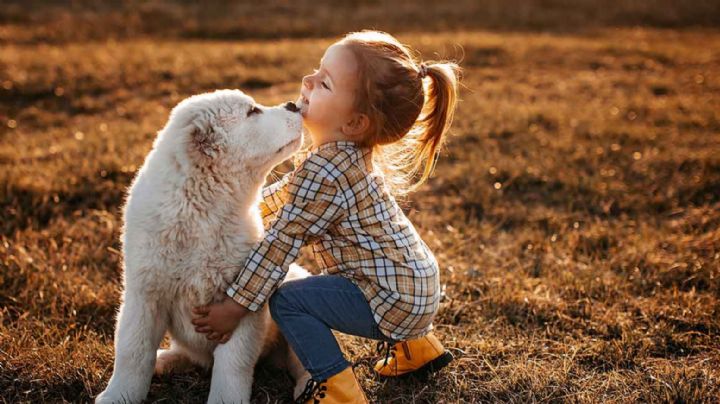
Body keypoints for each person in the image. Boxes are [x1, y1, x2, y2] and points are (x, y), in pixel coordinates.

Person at [191, 29, 461, 403]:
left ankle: (334, 387)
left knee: (287, 300)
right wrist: (233, 213)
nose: (308, 81)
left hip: (395, 300)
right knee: (366, 274)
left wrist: (236, 306)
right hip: (416, 285)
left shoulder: (326, 174)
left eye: (325, 83)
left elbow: (279, 244)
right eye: (316, 71)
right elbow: (284, 197)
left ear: (354, 123)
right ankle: (417, 349)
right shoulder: (342, 157)